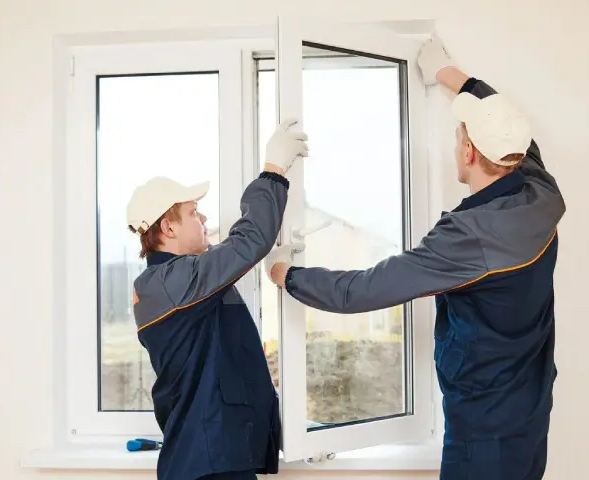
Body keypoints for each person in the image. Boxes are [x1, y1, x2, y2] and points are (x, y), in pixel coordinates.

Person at [265, 35, 565, 480]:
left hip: (482, 432)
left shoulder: (469, 237)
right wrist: (450, 75)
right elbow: (512, 125)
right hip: (530, 410)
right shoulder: (541, 192)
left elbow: (362, 290)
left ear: (467, 151)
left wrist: (286, 275)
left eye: (459, 134)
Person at [127, 119, 309, 480]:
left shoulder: (180, 282)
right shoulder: (169, 282)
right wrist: (273, 172)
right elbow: (246, 243)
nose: (204, 218)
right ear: (168, 228)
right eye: (194, 212)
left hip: (214, 457)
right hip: (208, 463)